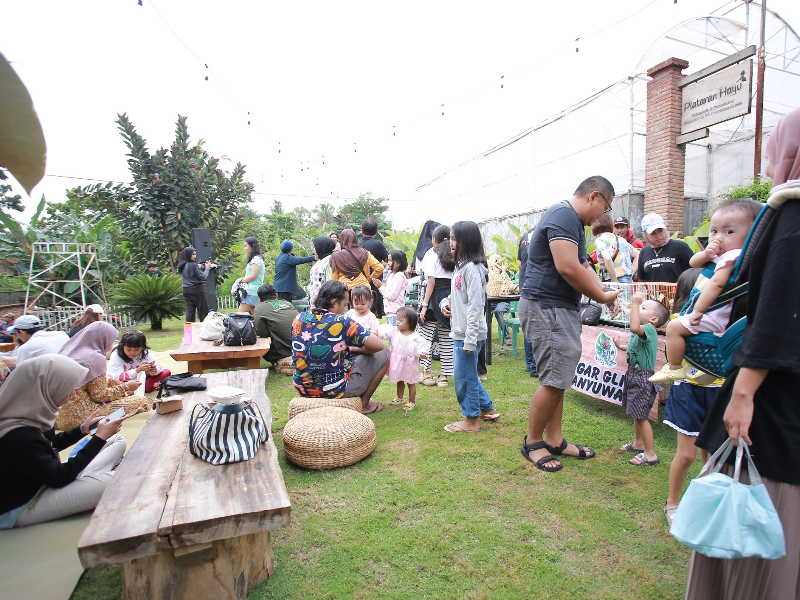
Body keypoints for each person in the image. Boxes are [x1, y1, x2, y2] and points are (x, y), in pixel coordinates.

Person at [686, 106, 800, 600]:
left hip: (775, 407)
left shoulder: (792, 212)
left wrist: (744, 392)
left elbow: (779, 310)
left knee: (750, 541)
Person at [519, 175, 621, 472]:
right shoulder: (563, 214)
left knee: (559, 375)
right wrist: (600, 298)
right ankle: (533, 442)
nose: (602, 215)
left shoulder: (573, 222)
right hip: (546, 306)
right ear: (594, 196)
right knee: (554, 379)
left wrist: (605, 293)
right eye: (605, 207)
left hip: (559, 308)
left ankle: (554, 439)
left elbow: (583, 265)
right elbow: (566, 267)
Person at [0, 355, 128, 529]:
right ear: (48, 388)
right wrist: (98, 439)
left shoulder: (31, 414)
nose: (73, 393)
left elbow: (49, 444)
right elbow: (59, 478)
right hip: (21, 504)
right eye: (69, 388)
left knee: (116, 440)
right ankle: (90, 481)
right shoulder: (18, 435)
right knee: (115, 481)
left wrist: (82, 429)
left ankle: (88, 481)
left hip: (42, 478)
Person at [650, 199, 762, 384]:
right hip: (715, 313)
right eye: (714, 231)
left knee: (674, 327)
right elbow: (693, 263)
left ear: (752, 235)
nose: (718, 238)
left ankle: (674, 368)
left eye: (729, 232)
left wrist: (698, 311)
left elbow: (716, 284)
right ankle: (709, 370)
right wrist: (708, 254)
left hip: (712, 312)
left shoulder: (733, 256)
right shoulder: (723, 255)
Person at [660, 268, 718, 527]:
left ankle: (708, 502)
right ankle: (672, 502)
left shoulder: (721, 320)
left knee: (711, 454)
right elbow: (672, 360)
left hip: (718, 391)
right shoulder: (679, 323)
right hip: (689, 390)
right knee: (686, 455)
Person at [291, 280, 389, 415]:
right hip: (335, 389)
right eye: (344, 305)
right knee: (384, 352)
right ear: (334, 301)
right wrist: (353, 349)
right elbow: (378, 345)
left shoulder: (299, 318)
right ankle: (364, 405)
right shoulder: (341, 321)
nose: (344, 310)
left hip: (303, 386)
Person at [441, 221, 500, 433]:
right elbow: (457, 296)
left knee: (463, 379)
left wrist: (470, 340)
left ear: (467, 241)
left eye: (454, 239)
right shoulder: (461, 268)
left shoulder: (473, 270)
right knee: (469, 376)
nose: (451, 243)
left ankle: (471, 420)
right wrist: (445, 303)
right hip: (462, 331)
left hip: (468, 334)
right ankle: (488, 409)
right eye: (450, 238)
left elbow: (476, 306)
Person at [611, 292, 670, 467]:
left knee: (642, 416)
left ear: (654, 319)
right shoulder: (642, 331)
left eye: (643, 307)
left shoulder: (649, 329)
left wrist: (635, 303)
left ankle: (650, 454)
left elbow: (634, 327)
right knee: (636, 412)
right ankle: (638, 443)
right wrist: (622, 346)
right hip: (633, 374)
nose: (637, 309)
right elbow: (634, 345)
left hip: (643, 378)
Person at [55, 322, 148, 430]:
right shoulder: (95, 357)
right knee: (142, 401)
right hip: (82, 417)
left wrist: (109, 382)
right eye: (111, 341)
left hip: (58, 416)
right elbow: (99, 396)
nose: (112, 345)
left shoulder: (67, 351)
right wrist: (126, 387)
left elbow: (84, 385)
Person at [418, 225, 455, 388]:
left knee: (425, 337)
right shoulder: (454, 253)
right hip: (450, 297)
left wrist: (424, 305)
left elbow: (431, 282)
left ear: (434, 239)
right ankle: (444, 377)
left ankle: (426, 374)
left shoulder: (431, 253)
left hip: (434, 298)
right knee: (447, 338)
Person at [377, 306, 428, 411]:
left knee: (410, 383)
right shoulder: (394, 332)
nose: (397, 322)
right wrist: (370, 333)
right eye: (397, 319)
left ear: (410, 322)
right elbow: (383, 333)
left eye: (401, 320)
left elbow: (422, 346)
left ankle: (412, 401)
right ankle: (400, 398)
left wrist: (422, 353)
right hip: (398, 363)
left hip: (410, 364)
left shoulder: (415, 336)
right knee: (399, 380)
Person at [253, 284, 297, 375]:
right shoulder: (287, 303)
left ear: (260, 300)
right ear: (276, 295)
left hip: (286, 350)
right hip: (302, 345)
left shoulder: (259, 308)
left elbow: (262, 333)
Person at [637, 214, 694, 283]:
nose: (658, 235)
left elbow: (694, 272)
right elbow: (642, 278)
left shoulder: (680, 247)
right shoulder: (644, 252)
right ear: (645, 235)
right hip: (652, 290)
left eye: (660, 231)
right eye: (653, 233)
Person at [5, 315, 69, 368]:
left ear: (21, 332)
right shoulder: (62, 334)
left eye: (16, 333)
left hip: (51, 377)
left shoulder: (26, 347)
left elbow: (23, 372)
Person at [591, 213, 640, 283]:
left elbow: (608, 259)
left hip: (611, 280)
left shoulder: (600, 240)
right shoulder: (621, 239)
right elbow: (637, 254)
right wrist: (631, 274)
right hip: (627, 280)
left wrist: (614, 280)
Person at [517, 227, 538, 377]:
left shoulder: (525, 236)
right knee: (538, 326)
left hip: (525, 285)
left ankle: (530, 364)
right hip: (537, 285)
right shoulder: (545, 233)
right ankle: (535, 366)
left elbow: (519, 263)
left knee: (528, 327)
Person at [359, 218, 389, 319]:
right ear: (376, 232)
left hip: (359, 281)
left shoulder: (357, 245)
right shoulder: (378, 244)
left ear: (361, 231)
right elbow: (387, 259)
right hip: (375, 281)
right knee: (375, 308)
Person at [372, 250, 408, 326]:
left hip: (395, 313)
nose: (388, 263)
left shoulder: (399, 277)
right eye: (388, 260)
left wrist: (380, 286)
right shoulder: (392, 275)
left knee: (393, 333)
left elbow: (392, 296)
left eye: (390, 260)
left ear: (399, 263)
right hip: (390, 312)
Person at [274, 239, 314, 304]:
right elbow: (300, 260)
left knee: (280, 306)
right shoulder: (287, 258)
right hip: (285, 288)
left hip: (278, 287)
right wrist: (314, 257)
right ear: (291, 249)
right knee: (286, 306)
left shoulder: (279, 257)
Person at [178, 247, 211, 323]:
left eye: (195, 254)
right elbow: (203, 277)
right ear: (188, 255)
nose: (194, 256)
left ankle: (189, 329)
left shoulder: (182, 266)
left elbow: (192, 274)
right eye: (192, 254)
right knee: (203, 311)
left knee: (190, 312)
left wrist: (202, 267)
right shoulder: (193, 265)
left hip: (186, 290)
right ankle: (205, 327)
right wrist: (207, 268)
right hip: (197, 290)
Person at [308, 236, 336, 309]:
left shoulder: (329, 261)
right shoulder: (322, 260)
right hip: (316, 301)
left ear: (322, 247)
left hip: (324, 302)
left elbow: (329, 281)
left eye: (315, 247)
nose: (314, 249)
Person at [239, 236, 266, 312]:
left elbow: (254, 275)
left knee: (239, 316)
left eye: (246, 246)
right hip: (256, 291)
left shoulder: (255, 259)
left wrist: (241, 281)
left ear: (252, 246)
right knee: (256, 317)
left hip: (251, 291)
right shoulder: (258, 258)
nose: (245, 248)